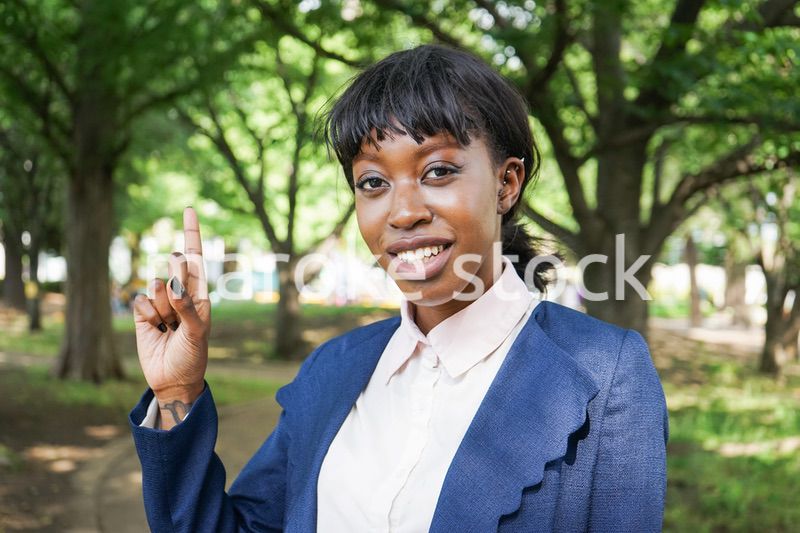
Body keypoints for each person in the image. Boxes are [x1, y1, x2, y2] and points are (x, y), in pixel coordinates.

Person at [130, 44, 668, 532]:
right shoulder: (333, 369)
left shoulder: (606, 373)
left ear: (506, 184)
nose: (404, 211)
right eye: (373, 182)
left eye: (437, 171)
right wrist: (177, 394)